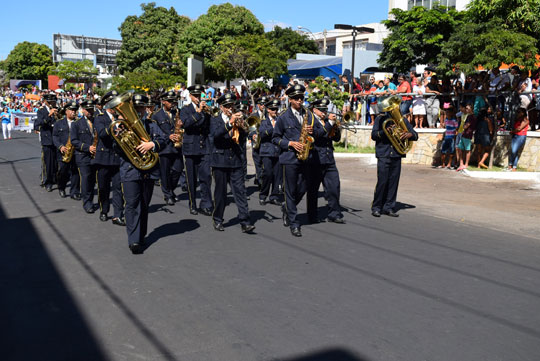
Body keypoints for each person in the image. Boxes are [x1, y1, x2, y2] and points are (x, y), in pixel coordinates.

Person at [115, 94, 166, 254]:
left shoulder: (151, 124)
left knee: (144, 205)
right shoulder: (122, 127)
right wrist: (118, 137)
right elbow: (114, 147)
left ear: (146, 108)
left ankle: (141, 235)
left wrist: (152, 144)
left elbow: (164, 139)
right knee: (131, 205)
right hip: (130, 171)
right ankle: (134, 240)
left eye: (141, 108)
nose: (138, 111)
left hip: (148, 171)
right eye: (135, 108)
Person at [272, 84, 321, 237]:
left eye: (302, 98)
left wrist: (314, 131)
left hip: (306, 158)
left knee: (303, 188)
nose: (300, 101)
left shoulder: (309, 115)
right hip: (289, 158)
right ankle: (294, 222)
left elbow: (320, 131)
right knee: (290, 190)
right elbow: (275, 138)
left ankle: (287, 208)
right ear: (290, 99)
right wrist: (291, 144)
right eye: (297, 98)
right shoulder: (283, 117)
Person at [209, 93, 255, 233]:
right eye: (227, 106)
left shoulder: (239, 119)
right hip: (220, 161)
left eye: (232, 106)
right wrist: (229, 123)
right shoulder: (214, 120)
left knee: (240, 192)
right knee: (220, 193)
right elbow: (216, 135)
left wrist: (243, 127)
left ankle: (245, 221)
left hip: (236, 160)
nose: (230, 108)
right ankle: (218, 219)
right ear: (221, 107)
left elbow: (243, 137)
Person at [371, 96, 418, 217]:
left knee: (393, 182)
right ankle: (377, 206)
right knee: (382, 181)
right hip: (384, 154)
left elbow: (415, 135)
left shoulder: (403, 120)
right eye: (392, 106)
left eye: (396, 106)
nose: (394, 108)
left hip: (396, 154)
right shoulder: (380, 119)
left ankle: (389, 207)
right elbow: (374, 135)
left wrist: (409, 134)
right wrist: (385, 132)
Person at [307, 98, 345, 224]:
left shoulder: (327, 122)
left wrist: (335, 127)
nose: (324, 112)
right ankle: (312, 215)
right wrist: (329, 123)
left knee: (334, 187)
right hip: (316, 158)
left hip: (329, 158)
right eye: (322, 110)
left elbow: (337, 138)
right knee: (313, 190)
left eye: (325, 110)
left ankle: (334, 213)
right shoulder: (310, 120)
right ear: (315, 110)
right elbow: (317, 134)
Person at [179, 84, 213, 216]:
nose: (198, 98)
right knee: (191, 179)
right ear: (191, 96)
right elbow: (186, 124)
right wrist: (198, 112)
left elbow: (209, 127)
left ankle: (206, 204)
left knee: (206, 177)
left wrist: (207, 112)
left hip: (204, 147)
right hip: (190, 148)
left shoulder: (206, 110)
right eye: (196, 96)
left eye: (200, 96)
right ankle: (192, 204)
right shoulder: (185, 110)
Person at [93, 91, 125, 226]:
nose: (116, 106)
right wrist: (116, 125)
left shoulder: (121, 118)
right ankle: (104, 210)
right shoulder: (100, 117)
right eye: (113, 104)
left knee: (118, 188)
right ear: (107, 105)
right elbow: (102, 133)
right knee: (103, 187)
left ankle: (117, 215)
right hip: (104, 158)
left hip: (118, 157)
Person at [152, 90, 184, 206]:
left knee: (178, 169)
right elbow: (155, 132)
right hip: (164, 148)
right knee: (164, 173)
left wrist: (180, 127)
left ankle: (170, 189)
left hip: (176, 147)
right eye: (170, 101)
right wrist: (168, 136)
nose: (172, 103)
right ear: (163, 101)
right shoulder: (156, 115)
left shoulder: (176, 112)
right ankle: (168, 195)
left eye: (173, 101)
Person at [70, 99, 97, 213]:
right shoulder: (76, 124)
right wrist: (88, 148)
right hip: (83, 155)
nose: (90, 111)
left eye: (91, 109)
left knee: (93, 180)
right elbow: (74, 141)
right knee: (86, 179)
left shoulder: (97, 121)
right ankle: (88, 203)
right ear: (83, 110)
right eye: (88, 109)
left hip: (96, 155)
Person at [52, 101, 80, 200]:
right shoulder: (59, 123)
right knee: (63, 171)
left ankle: (74, 192)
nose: (74, 112)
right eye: (72, 110)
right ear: (66, 111)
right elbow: (55, 136)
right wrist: (60, 146)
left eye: (75, 110)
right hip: (64, 152)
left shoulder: (79, 122)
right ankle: (61, 187)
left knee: (75, 172)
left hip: (76, 151)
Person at [258, 99, 282, 206]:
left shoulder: (280, 120)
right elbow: (263, 134)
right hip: (266, 151)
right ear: (268, 110)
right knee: (267, 174)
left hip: (278, 151)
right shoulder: (263, 121)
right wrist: (274, 128)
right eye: (272, 109)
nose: (275, 111)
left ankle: (274, 196)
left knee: (277, 175)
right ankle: (263, 195)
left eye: (276, 109)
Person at [35, 93, 59, 191]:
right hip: (47, 139)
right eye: (49, 102)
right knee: (47, 162)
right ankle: (47, 181)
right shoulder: (41, 111)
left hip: (56, 139)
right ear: (45, 101)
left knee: (55, 162)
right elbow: (40, 123)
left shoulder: (57, 109)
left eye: (53, 102)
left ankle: (54, 178)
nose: (51, 104)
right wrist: (49, 115)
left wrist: (58, 115)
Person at [249, 96, 267, 187]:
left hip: (265, 142)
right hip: (256, 142)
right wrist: (253, 135)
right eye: (262, 104)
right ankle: (260, 180)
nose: (263, 106)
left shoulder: (268, 115)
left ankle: (262, 178)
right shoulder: (254, 115)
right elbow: (250, 129)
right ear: (258, 105)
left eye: (265, 104)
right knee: (258, 162)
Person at [456, 104, 477, 171]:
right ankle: (461, 163)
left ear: (471, 109)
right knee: (460, 148)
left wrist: (464, 126)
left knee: (467, 150)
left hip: (468, 134)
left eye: (468, 108)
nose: (466, 109)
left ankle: (466, 164)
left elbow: (467, 125)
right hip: (464, 134)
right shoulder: (468, 116)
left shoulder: (471, 117)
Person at [507, 107, 529, 172]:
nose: (517, 113)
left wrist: (512, 131)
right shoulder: (518, 119)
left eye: (519, 112)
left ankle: (512, 165)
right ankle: (512, 166)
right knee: (514, 151)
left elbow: (519, 128)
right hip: (515, 136)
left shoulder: (525, 120)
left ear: (523, 113)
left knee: (514, 150)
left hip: (521, 136)